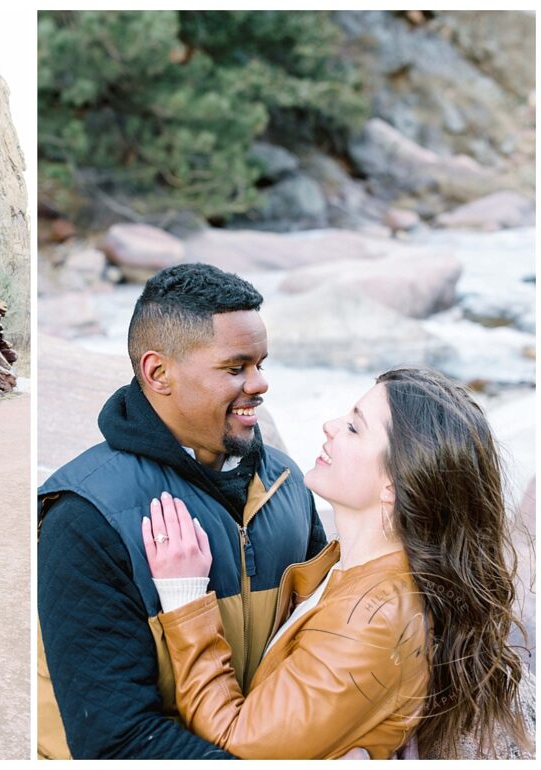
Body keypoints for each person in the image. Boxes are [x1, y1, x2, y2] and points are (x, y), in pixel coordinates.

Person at [143, 367, 530, 759]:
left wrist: (186, 597)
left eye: (355, 428)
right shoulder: (348, 569)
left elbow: (240, 742)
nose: (330, 426)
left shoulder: (374, 621)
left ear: (394, 486)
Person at [37, 264, 327, 759]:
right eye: (235, 368)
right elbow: (118, 742)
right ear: (157, 373)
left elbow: (323, 646)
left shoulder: (285, 482)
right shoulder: (86, 517)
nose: (260, 384)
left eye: (260, 363)